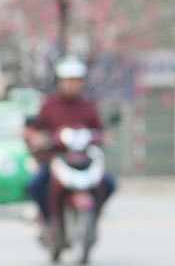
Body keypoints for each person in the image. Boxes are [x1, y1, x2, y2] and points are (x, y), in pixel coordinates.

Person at [25, 55, 116, 224]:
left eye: (76, 80)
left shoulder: (88, 106)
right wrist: (39, 137)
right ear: (59, 81)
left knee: (109, 183)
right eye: (68, 80)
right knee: (36, 185)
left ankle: (94, 216)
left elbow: (99, 129)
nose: (72, 84)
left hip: (83, 157)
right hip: (56, 157)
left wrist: (103, 137)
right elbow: (37, 128)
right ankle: (48, 221)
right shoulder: (49, 105)